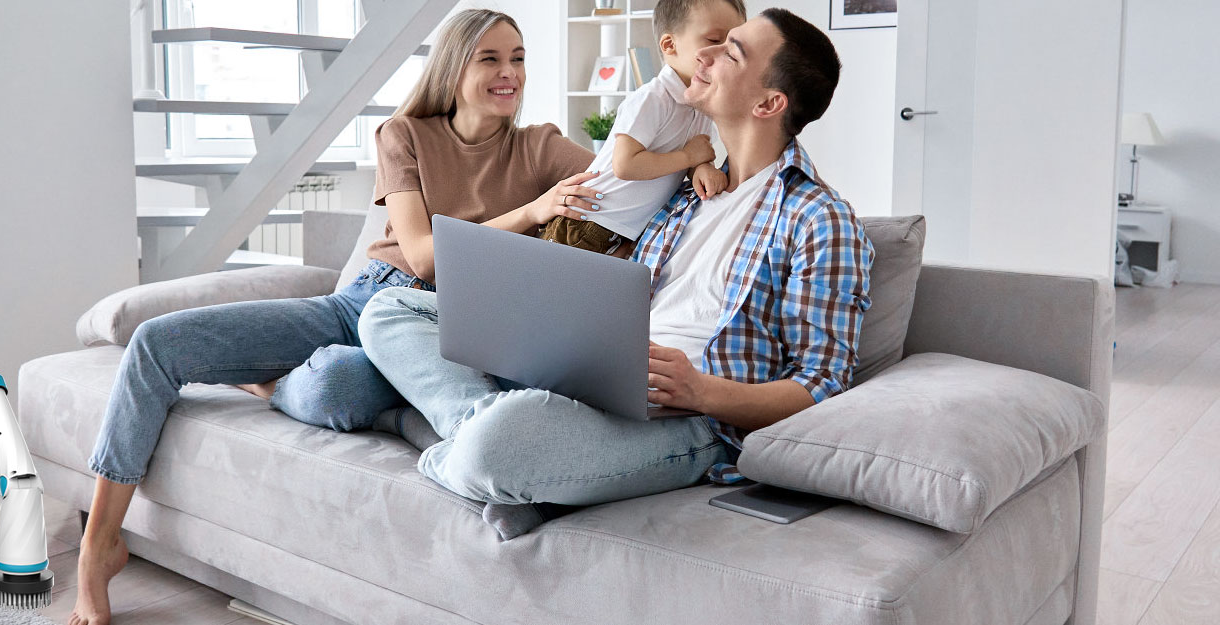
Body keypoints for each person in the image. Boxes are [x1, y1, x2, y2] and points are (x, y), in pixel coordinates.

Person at [68, 10, 598, 625]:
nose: (510, 73)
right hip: (364, 303)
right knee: (157, 341)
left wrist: (696, 159)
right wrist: (532, 213)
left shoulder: (542, 147)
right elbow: (423, 258)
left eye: (519, 58)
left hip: (436, 336)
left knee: (338, 386)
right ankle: (99, 544)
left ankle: (268, 382)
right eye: (491, 59)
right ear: (455, 68)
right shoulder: (405, 135)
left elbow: (629, 173)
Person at [358, 8, 874, 536]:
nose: (706, 53)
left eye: (730, 50)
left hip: (687, 420)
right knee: (392, 308)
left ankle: (458, 439)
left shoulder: (820, 220)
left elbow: (822, 383)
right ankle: (481, 436)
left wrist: (700, 391)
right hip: (598, 370)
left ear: (769, 103)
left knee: (503, 442)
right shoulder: (681, 193)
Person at [540, 0, 746, 255]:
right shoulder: (653, 98)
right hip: (585, 222)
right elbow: (626, 165)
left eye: (733, 46)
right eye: (715, 40)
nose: (724, 53)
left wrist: (701, 168)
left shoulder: (701, 106)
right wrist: (689, 157)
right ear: (670, 46)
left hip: (625, 231)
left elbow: (694, 152)